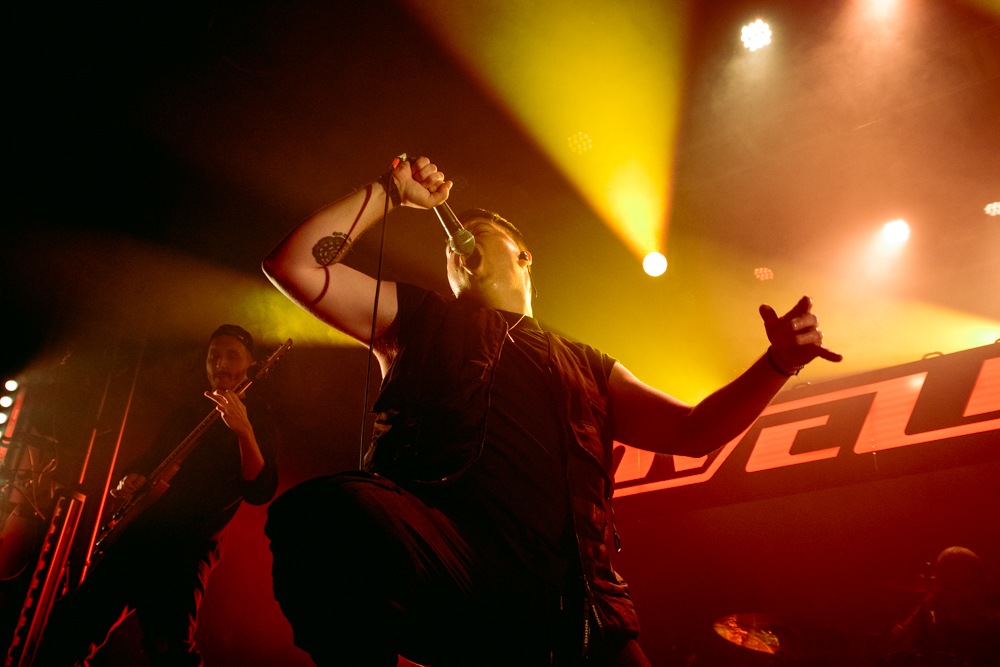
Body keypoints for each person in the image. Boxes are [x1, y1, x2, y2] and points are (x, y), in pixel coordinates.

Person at [260, 155, 842, 667]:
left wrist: (776, 365)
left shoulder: (586, 364)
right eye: (450, 247)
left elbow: (694, 431)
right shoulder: (419, 319)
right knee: (325, 512)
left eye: (477, 233)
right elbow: (295, 267)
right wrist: (390, 193)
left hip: (573, 605)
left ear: (523, 255)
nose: (458, 245)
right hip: (458, 568)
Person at [35, 325, 279, 666]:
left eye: (231, 356)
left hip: (184, 554)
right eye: (213, 356)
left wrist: (244, 431)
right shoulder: (186, 413)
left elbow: (260, 490)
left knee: (170, 654)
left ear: (251, 365)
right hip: (138, 539)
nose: (220, 364)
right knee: (67, 636)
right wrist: (128, 480)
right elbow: (149, 461)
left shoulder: (258, 419)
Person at [886, 546, 1000, 666]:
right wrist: (900, 648)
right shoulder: (936, 630)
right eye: (950, 587)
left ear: (981, 583)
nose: (958, 594)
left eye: (966, 585)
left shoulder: (994, 629)